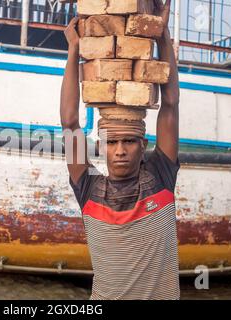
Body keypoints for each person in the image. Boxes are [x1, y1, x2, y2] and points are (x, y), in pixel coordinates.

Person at [60, 0, 180, 300]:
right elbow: (70, 123)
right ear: (101, 148)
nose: (120, 151)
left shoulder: (160, 177)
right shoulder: (89, 188)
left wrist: (162, 35)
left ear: (144, 146)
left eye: (128, 142)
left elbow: (170, 104)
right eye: (112, 143)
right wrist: (74, 49)